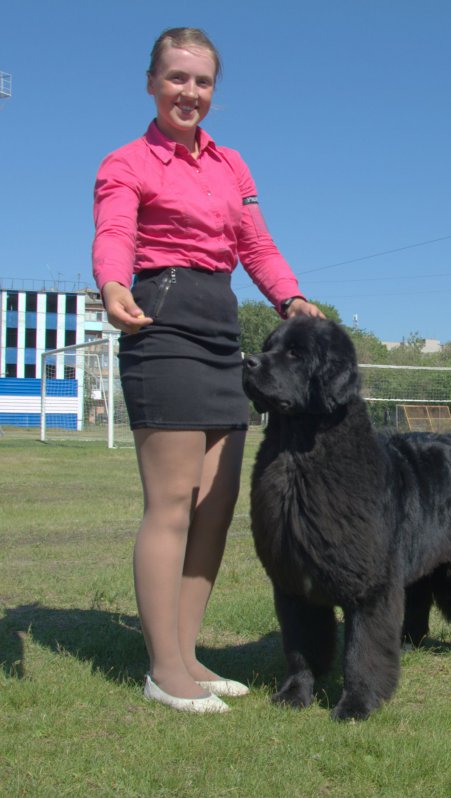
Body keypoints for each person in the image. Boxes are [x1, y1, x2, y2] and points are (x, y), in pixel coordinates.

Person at [92, 27, 324, 713]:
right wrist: (112, 283)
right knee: (171, 503)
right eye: (176, 77)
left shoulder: (232, 166)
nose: (189, 92)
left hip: (223, 327)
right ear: (151, 83)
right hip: (160, 321)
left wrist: (291, 298)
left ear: (214, 91)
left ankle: (186, 654)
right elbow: (115, 231)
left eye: (202, 81)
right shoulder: (126, 162)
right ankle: (163, 671)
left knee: (214, 509)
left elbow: (256, 243)